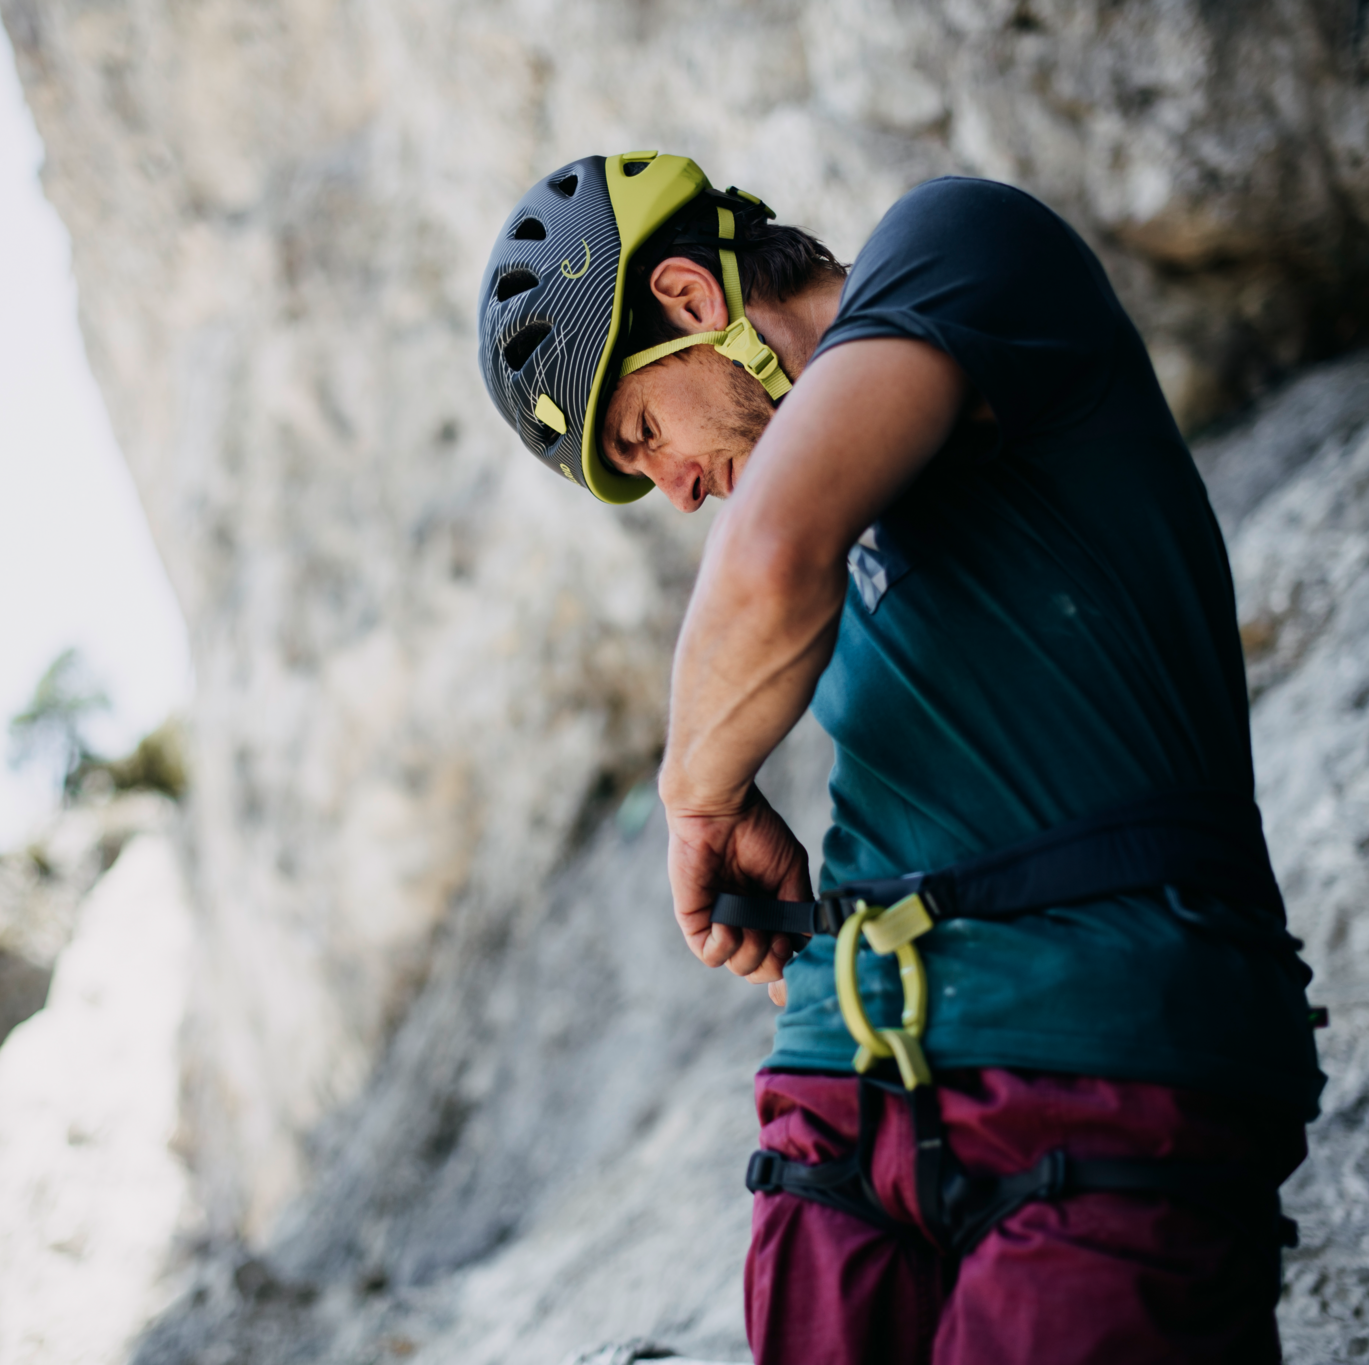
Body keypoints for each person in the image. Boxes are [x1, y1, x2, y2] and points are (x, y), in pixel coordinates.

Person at [476, 152, 1325, 1364]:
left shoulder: (957, 247)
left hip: (1096, 1050)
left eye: (643, 429)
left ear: (685, 297)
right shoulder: (852, 545)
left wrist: (696, 800)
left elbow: (765, 564)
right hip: (842, 1094)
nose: (670, 488)